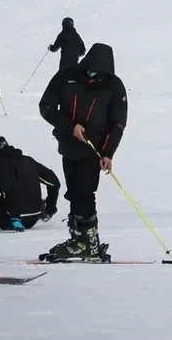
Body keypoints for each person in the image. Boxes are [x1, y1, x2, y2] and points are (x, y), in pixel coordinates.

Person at [37, 43, 126, 261]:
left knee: (85, 192)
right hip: (68, 144)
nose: (92, 76)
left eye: (98, 73)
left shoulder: (114, 85)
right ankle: (79, 237)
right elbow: (46, 107)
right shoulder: (67, 76)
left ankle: (88, 241)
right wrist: (71, 127)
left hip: (93, 149)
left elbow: (118, 123)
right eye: (90, 71)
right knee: (74, 192)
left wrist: (108, 153)